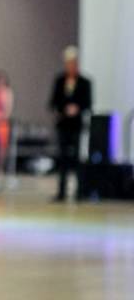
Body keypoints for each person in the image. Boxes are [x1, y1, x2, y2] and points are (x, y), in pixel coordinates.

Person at [49, 45, 92, 202]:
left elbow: (88, 103)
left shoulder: (85, 82)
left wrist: (77, 109)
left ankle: (79, 192)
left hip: (77, 125)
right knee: (62, 158)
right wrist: (63, 109)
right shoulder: (60, 81)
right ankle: (61, 191)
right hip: (63, 125)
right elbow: (53, 102)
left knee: (76, 158)